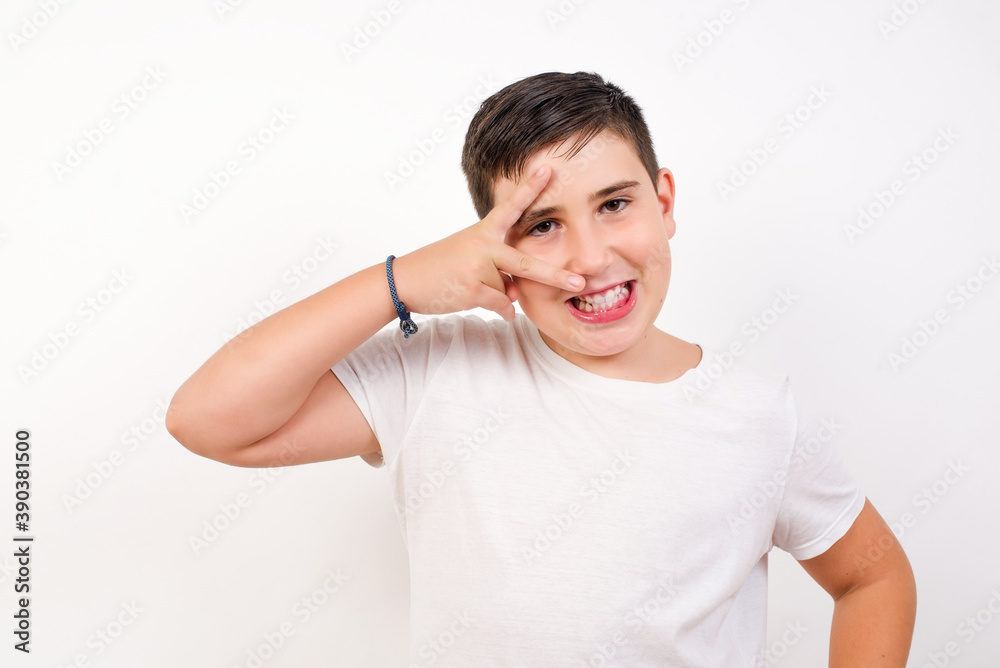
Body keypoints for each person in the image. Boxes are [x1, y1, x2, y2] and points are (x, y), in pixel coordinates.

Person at [167, 71, 917, 666]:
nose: (591, 260)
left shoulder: (756, 417)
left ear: (664, 202)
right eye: (544, 225)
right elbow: (209, 420)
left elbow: (873, 576)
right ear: (488, 244)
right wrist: (398, 281)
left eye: (615, 204)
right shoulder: (437, 370)